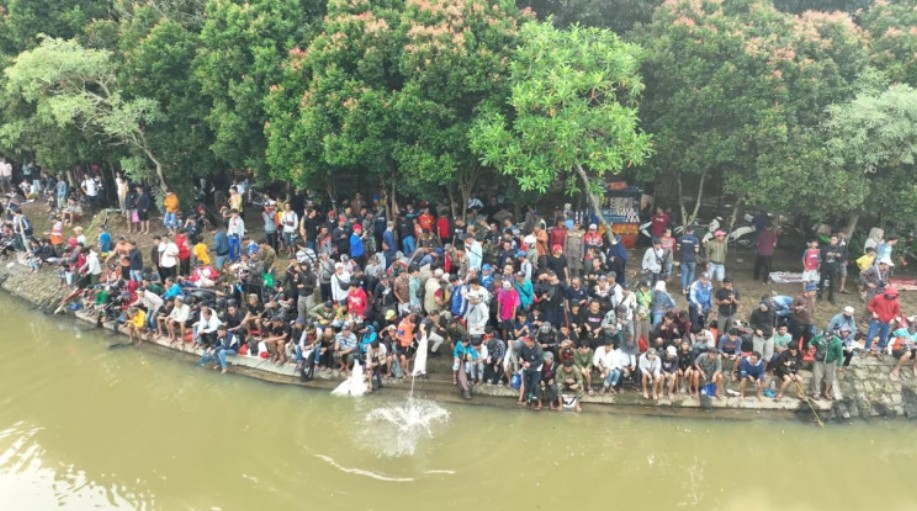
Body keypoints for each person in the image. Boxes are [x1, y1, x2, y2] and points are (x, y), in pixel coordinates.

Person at [808, 330, 843, 401]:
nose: (826, 338)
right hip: (819, 360)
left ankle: (826, 392)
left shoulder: (837, 342)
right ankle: (816, 393)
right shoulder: (818, 337)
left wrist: (839, 365)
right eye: (825, 336)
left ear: (832, 336)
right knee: (816, 377)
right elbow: (810, 342)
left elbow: (840, 354)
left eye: (828, 337)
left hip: (831, 361)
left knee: (830, 378)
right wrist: (810, 346)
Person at [866, 286, 901, 354]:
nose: (891, 296)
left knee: (883, 338)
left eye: (893, 295)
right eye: (890, 294)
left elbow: (896, 313)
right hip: (876, 321)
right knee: (870, 336)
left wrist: (893, 318)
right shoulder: (877, 297)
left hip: (887, 323)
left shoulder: (896, 302)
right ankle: (866, 349)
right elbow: (869, 306)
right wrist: (873, 312)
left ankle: (878, 350)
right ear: (886, 293)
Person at [818, 235, 843, 304]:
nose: (833, 241)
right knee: (821, 281)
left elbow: (842, 259)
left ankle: (830, 297)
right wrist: (826, 254)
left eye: (835, 240)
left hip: (833, 267)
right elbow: (821, 256)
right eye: (832, 239)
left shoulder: (839, 249)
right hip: (825, 266)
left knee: (833, 282)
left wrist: (839, 256)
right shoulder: (825, 247)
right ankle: (819, 295)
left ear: (837, 241)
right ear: (830, 240)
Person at [792, 284, 817, 348]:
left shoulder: (813, 299)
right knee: (796, 339)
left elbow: (812, 309)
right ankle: (795, 351)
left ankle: (804, 351)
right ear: (808, 291)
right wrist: (798, 308)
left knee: (808, 339)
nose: (814, 293)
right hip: (799, 322)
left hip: (809, 323)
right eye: (813, 291)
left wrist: (812, 316)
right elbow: (791, 307)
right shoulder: (799, 298)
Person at [677, 225, 700, 293]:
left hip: (683, 259)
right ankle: (688, 288)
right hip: (692, 259)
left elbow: (678, 249)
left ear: (686, 230)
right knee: (691, 273)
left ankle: (683, 289)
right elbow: (696, 251)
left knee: (684, 274)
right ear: (693, 231)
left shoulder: (680, 238)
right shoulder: (695, 239)